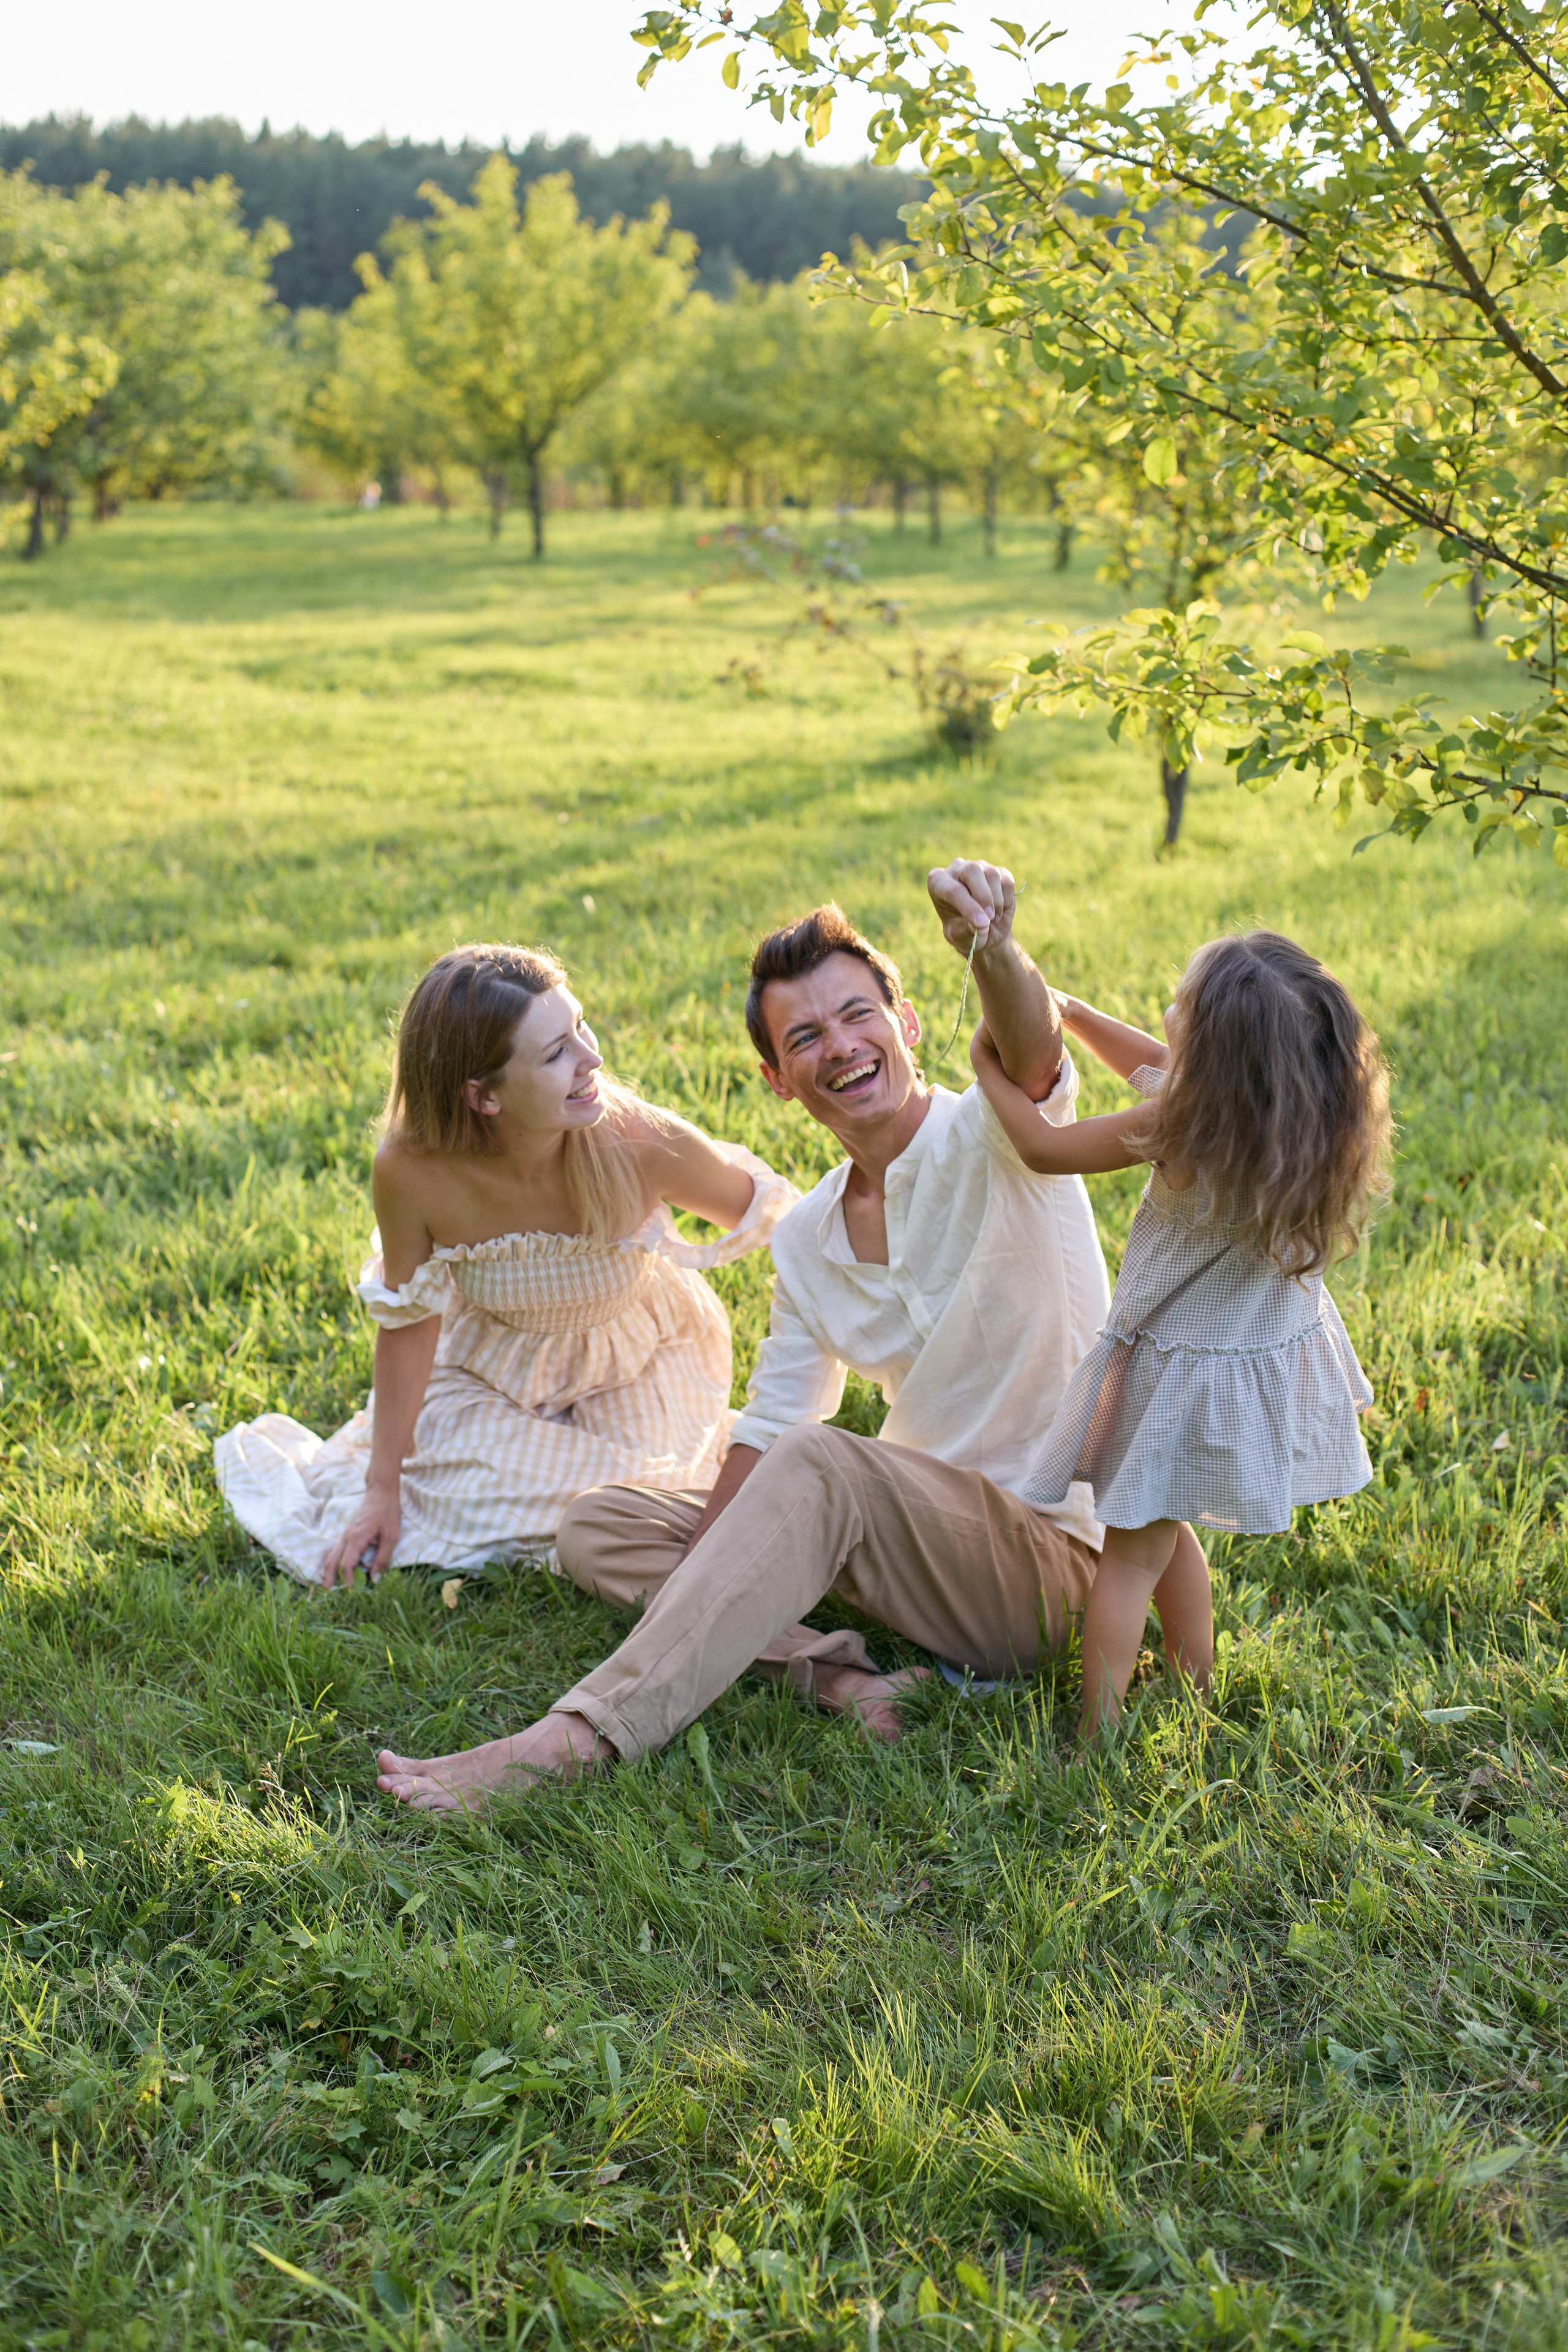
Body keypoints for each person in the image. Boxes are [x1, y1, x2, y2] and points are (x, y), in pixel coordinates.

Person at [376, 860, 1161, 1812]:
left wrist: (987, 947)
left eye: (859, 1015)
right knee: (600, 1526)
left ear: (906, 1024)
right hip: (906, 1558)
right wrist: (707, 1560)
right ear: (779, 1081)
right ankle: (841, 1680)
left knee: (823, 1465)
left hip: (1053, 1570)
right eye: (806, 1036)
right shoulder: (809, 1238)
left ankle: (575, 1738)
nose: (841, 1046)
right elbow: (763, 1431)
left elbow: (1032, 1048)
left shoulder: (996, 1140)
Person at [214, 944, 796, 1587]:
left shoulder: (638, 1143)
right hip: (491, 1366)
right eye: (556, 1054)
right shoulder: (411, 1170)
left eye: (581, 1027)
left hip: (635, 1360)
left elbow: (786, 1227)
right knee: (441, 1496)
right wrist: (382, 1489)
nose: (593, 1058)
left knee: (623, 1497)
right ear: (482, 1097)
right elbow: (408, 1321)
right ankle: (674, 1508)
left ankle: (710, 1495)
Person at [973, 929, 1390, 1738]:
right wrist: (1075, 1013)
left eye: (1181, 1006)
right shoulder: (1296, 1120)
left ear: (1218, 1055)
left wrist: (991, 1070)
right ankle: (1195, 1687)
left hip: (1174, 1379)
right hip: (1233, 1372)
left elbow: (1045, 1146)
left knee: (1128, 1558)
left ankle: (1097, 1737)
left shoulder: (1180, 1127)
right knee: (1167, 1529)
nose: (1167, 1011)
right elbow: (1153, 1066)